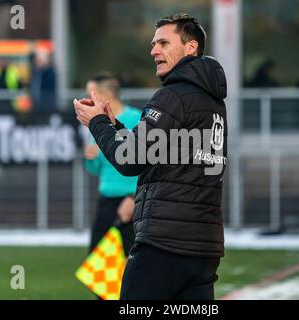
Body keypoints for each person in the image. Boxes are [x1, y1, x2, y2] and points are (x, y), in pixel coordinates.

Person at [74, 13, 227, 300]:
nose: (153, 50)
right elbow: (165, 152)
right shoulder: (212, 101)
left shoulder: (172, 96)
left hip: (165, 243)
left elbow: (130, 160)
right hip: (203, 246)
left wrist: (97, 123)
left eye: (163, 43)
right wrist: (113, 126)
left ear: (191, 47)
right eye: (154, 44)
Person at [83, 73, 141, 256]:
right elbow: (97, 168)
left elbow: (147, 162)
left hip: (131, 201)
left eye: (90, 94)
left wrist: (133, 198)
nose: (87, 100)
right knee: (97, 263)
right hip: (106, 200)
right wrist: (90, 159)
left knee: (132, 265)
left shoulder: (137, 119)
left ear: (105, 95)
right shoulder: (97, 122)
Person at [30, 48, 57, 112]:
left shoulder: (49, 72)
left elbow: (50, 88)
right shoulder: (35, 72)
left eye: (39, 61)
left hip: (46, 104)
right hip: (36, 103)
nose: (37, 63)